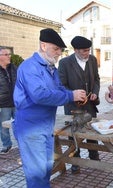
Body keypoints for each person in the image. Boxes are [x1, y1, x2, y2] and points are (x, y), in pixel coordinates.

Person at [13, 28, 87, 188]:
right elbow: (39, 95)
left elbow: (60, 89)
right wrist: (70, 96)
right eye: (56, 49)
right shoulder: (29, 67)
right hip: (31, 129)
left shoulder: (51, 68)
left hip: (45, 127)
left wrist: (75, 94)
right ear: (43, 45)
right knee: (37, 176)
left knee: (45, 170)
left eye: (60, 50)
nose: (59, 53)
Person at [58, 36, 100, 174]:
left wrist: (94, 92)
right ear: (75, 50)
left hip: (90, 105)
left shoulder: (92, 59)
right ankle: (75, 161)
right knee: (73, 135)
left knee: (93, 133)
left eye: (88, 50)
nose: (87, 53)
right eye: (83, 51)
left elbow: (97, 79)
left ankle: (94, 158)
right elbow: (61, 85)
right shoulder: (64, 63)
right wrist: (73, 94)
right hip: (73, 107)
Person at [0, 47, 17, 154]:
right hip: (3, 104)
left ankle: (23, 143)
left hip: (16, 102)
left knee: (19, 124)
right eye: (6, 54)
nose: (9, 56)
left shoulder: (14, 67)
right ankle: (7, 145)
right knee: (3, 126)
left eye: (9, 54)